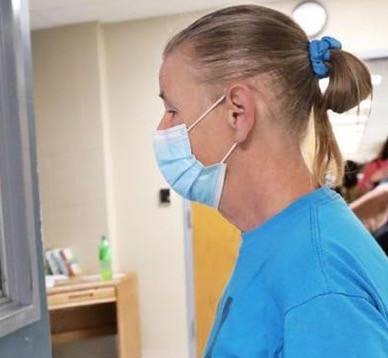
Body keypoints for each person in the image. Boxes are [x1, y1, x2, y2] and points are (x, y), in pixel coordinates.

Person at [153, 5, 388, 357]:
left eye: (172, 110)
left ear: (238, 112)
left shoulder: (320, 280)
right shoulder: (277, 238)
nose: (162, 129)